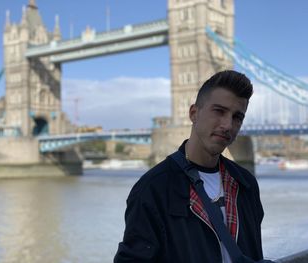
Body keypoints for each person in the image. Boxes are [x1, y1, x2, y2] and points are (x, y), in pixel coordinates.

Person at [114, 70, 267, 262]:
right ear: (193, 113)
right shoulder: (153, 189)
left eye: (237, 117)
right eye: (219, 111)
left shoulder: (246, 184)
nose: (228, 125)